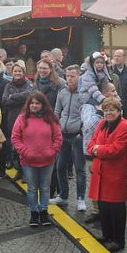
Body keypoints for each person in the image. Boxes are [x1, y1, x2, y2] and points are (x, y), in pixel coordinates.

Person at [86, 96, 127, 251]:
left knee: (116, 209)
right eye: (105, 110)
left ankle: (119, 240)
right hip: (100, 173)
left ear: (119, 111)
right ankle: (107, 235)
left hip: (115, 174)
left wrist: (97, 149)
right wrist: (96, 148)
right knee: (103, 206)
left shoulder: (125, 127)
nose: (108, 113)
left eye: (112, 110)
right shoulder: (101, 124)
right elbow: (90, 143)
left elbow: (116, 149)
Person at [11, 91, 62, 227]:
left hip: (47, 160)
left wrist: (52, 151)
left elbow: (58, 137)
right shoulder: (22, 118)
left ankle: (44, 212)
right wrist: (24, 151)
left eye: (37, 103)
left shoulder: (51, 119)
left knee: (45, 188)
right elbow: (15, 138)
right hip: (28, 161)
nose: (34, 106)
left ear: (43, 105)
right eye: (32, 103)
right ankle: (34, 213)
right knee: (32, 189)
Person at [52, 65, 87, 210]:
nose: (69, 79)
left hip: (77, 136)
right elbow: (57, 112)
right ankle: (63, 195)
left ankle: (80, 198)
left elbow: (88, 114)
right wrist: (56, 129)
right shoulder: (62, 92)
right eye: (67, 76)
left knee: (80, 169)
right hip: (62, 134)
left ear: (79, 76)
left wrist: (82, 132)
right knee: (60, 166)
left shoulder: (84, 93)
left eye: (72, 76)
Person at [1, 61, 34, 178]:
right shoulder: (8, 86)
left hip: (26, 118)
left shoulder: (29, 84)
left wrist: (13, 97)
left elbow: (29, 95)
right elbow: (4, 100)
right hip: (12, 119)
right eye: (15, 71)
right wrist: (19, 99)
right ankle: (20, 169)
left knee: (26, 146)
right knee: (16, 146)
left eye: (19, 71)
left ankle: (26, 172)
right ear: (12, 72)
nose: (17, 73)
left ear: (23, 72)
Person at [110, 49, 127, 116]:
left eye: (119, 56)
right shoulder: (110, 70)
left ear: (124, 58)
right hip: (112, 103)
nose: (116, 58)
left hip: (126, 103)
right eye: (115, 56)